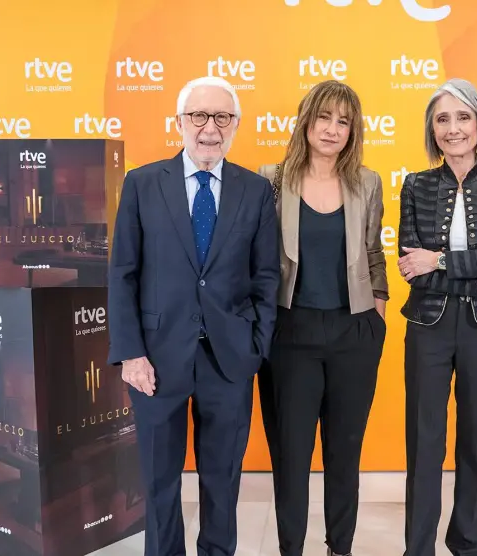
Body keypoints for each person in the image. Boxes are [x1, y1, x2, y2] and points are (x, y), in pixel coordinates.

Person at [107, 75, 280, 556]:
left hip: (230, 359)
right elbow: (123, 273)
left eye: (222, 117)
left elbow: (267, 277)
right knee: (159, 481)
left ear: (236, 125)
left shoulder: (255, 190)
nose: (210, 128)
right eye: (199, 116)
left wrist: (256, 346)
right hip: (155, 360)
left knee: (222, 480)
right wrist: (130, 354)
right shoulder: (142, 183)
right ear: (179, 122)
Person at [256, 79, 389, 556]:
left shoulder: (367, 182)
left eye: (344, 121)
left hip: (354, 331)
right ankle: (290, 547)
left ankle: (340, 547)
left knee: (344, 452)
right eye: (324, 117)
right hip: (290, 333)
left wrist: (377, 313)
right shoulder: (271, 178)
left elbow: (373, 252)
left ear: (353, 131)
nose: (333, 129)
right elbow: (257, 256)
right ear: (306, 121)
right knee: (291, 455)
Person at [396, 78, 477, 556]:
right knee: (424, 442)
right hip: (427, 327)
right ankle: (418, 548)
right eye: (443, 119)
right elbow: (411, 268)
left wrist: (440, 260)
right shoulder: (416, 185)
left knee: (476, 440)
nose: (453, 128)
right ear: (432, 129)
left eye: (463, 116)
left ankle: (468, 542)